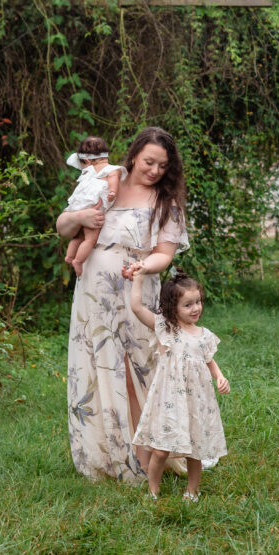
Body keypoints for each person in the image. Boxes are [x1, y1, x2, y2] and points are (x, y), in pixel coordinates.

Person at [56, 126, 189, 483]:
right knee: (100, 366)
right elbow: (64, 223)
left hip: (136, 292)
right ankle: (109, 454)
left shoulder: (166, 202)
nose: (155, 171)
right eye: (149, 162)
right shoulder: (103, 181)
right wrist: (80, 219)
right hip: (94, 295)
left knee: (139, 368)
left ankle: (146, 459)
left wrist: (146, 266)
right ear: (132, 155)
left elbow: (164, 252)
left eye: (163, 166)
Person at [128, 265, 229, 501]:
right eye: (188, 304)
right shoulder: (167, 329)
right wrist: (138, 277)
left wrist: (220, 377)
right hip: (169, 400)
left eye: (198, 302)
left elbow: (209, 362)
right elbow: (136, 307)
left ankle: (192, 491)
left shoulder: (203, 334)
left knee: (195, 449)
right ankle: (153, 490)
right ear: (172, 309)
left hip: (196, 401)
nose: (195, 308)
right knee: (161, 449)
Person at [63, 136, 125, 276]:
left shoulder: (87, 173)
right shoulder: (111, 169)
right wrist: (113, 192)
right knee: (90, 239)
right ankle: (78, 261)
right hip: (93, 210)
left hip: (77, 208)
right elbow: (113, 181)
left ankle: (69, 256)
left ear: (86, 160)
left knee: (78, 237)